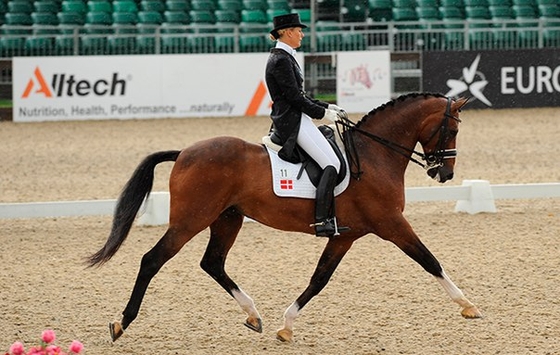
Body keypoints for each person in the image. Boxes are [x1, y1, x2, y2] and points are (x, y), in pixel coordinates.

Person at [265, 13, 349, 238]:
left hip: (298, 116)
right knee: (331, 163)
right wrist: (323, 114)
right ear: (288, 32)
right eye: (299, 30)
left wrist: (328, 107)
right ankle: (322, 220)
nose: (302, 34)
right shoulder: (281, 60)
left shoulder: (286, 56)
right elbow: (294, 98)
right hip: (291, 121)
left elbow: (301, 96)